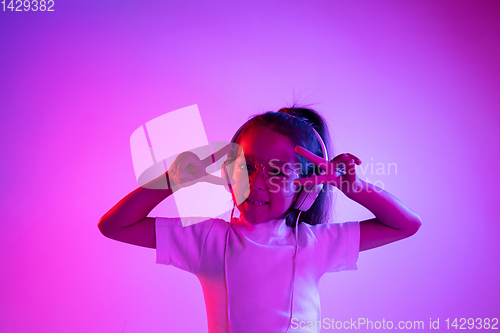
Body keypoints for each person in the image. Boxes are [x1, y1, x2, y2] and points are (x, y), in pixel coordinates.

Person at [98, 106, 422, 333]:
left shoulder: (314, 245)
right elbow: (114, 225)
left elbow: (406, 224)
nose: (257, 182)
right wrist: (171, 180)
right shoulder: (207, 241)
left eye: (279, 172)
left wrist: (354, 188)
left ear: (305, 189)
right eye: (247, 166)